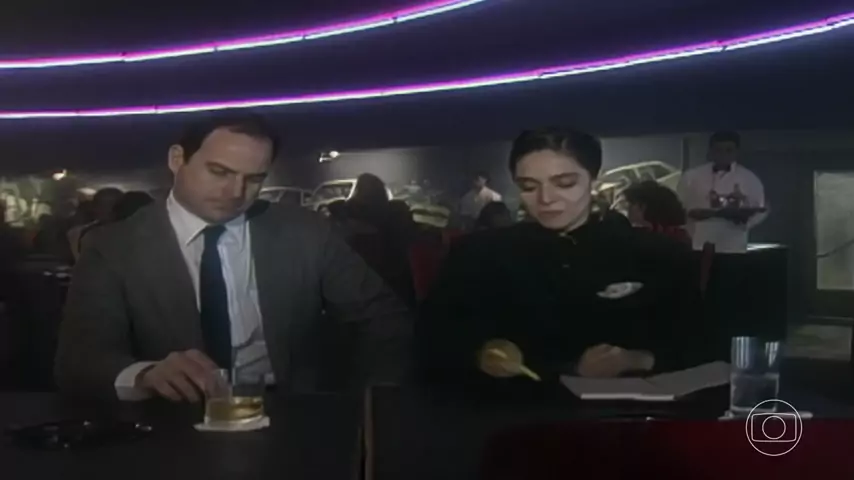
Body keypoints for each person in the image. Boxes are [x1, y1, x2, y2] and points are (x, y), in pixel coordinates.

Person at [56, 113, 411, 402]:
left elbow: (384, 320)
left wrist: (366, 403)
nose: (236, 192)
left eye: (254, 179)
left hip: (292, 415)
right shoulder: (113, 247)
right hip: (170, 419)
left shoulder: (306, 232)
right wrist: (145, 375)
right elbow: (80, 361)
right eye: (219, 172)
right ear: (177, 160)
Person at [418, 127, 705, 395]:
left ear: (593, 179)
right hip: (509, 413)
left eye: (565, 183)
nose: (546, 198)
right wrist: (486, 359)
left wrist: (640, 359)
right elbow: (434, 348)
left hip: (632, 418)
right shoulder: (477, 255)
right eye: (529, 186)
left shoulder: (658, 254)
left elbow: (701, 344)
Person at [676, 131, 767, 253]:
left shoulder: (749, 179)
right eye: (718, 150)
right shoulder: (691, 177)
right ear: (710, 151)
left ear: (736, 152)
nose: (723, 154)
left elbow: (759, 210)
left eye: (729, 150)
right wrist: (693, 215)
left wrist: (743, 216)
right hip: (697, 242)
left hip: (733, 244)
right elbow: (678, 206)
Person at [623, 180, 690, 244]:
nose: (628, 208)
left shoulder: (648, 241)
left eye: (632, 203)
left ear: (643, 206)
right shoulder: (678, 235)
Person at [67, 187, 123, 260]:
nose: (104, 210)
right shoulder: (78, 234)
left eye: (111, 205)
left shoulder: (131, 234)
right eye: (100, 205)